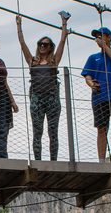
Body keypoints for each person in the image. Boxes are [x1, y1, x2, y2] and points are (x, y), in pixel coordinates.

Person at [15, 13, 70, 160]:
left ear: (50, 47)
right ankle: (38, 161)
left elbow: (63, 41)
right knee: (37, 131)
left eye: (45, 44)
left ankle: (54, 161)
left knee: (53, 132)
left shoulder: (54, 61)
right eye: (40, 44)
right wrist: (19, 25)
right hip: (37, 98)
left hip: (52, 99)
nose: (42, 46)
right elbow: (22, 44)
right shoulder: (32, 61)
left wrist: (64, 23)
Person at [81, 27, 111, 163]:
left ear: (108, 37)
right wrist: (91, 84)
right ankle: (101, 161)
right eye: (96, 36)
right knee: (101, 129)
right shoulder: (93, 58)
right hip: (100, 97)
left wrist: (106, 48)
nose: (98, 38)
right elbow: (87, 76)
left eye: (101, 36)